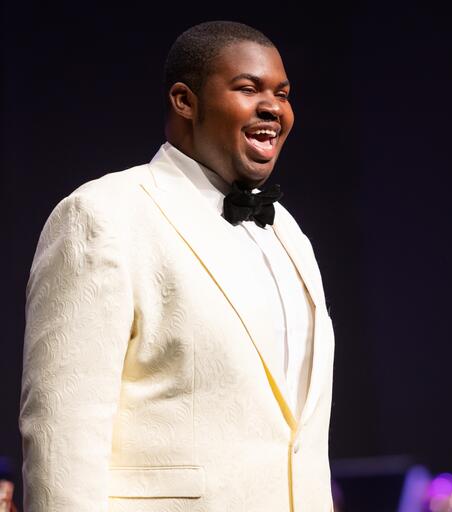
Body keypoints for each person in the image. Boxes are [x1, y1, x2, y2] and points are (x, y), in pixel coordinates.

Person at [19, 21, 335, 511]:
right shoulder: (104, 213)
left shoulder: (287, 232)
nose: (273, 106)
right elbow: (62, 434)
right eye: (248, 88)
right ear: (185, 101)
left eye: (282, 93)